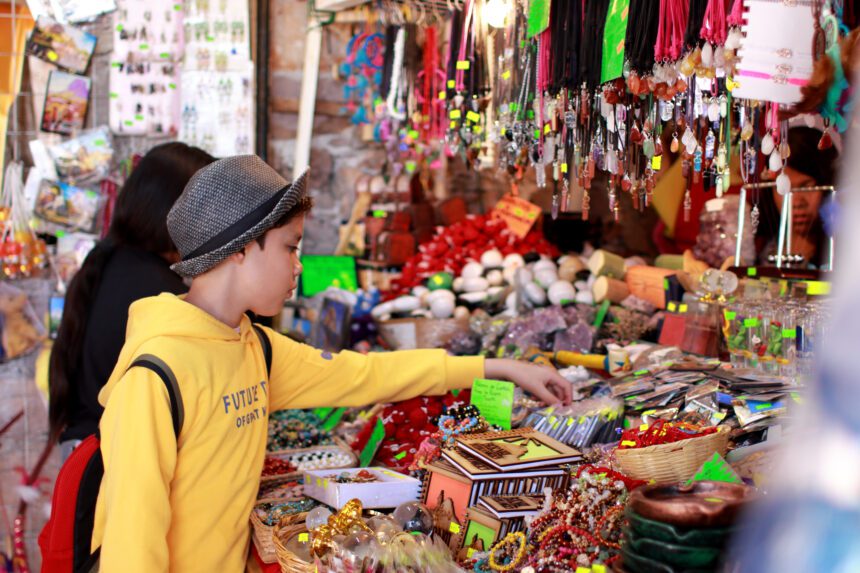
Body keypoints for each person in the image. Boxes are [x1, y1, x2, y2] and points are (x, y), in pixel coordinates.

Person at [89, 156, 572, 572]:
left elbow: (362, 375)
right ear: (239, 249)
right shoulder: (155, 376)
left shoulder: (254, 345)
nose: (299, 265)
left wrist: (493, 367)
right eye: (290, 246)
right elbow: (134, 541)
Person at [48, 142, 215, 458]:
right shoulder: (157, 291)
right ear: (174, 210)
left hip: (88, 449)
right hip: (112, 464)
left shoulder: (113, 260)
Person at [756, 126, 838, 267]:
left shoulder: (849, 251)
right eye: (783, 189)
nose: (795, 201)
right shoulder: (756, 246)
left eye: (806, 187)